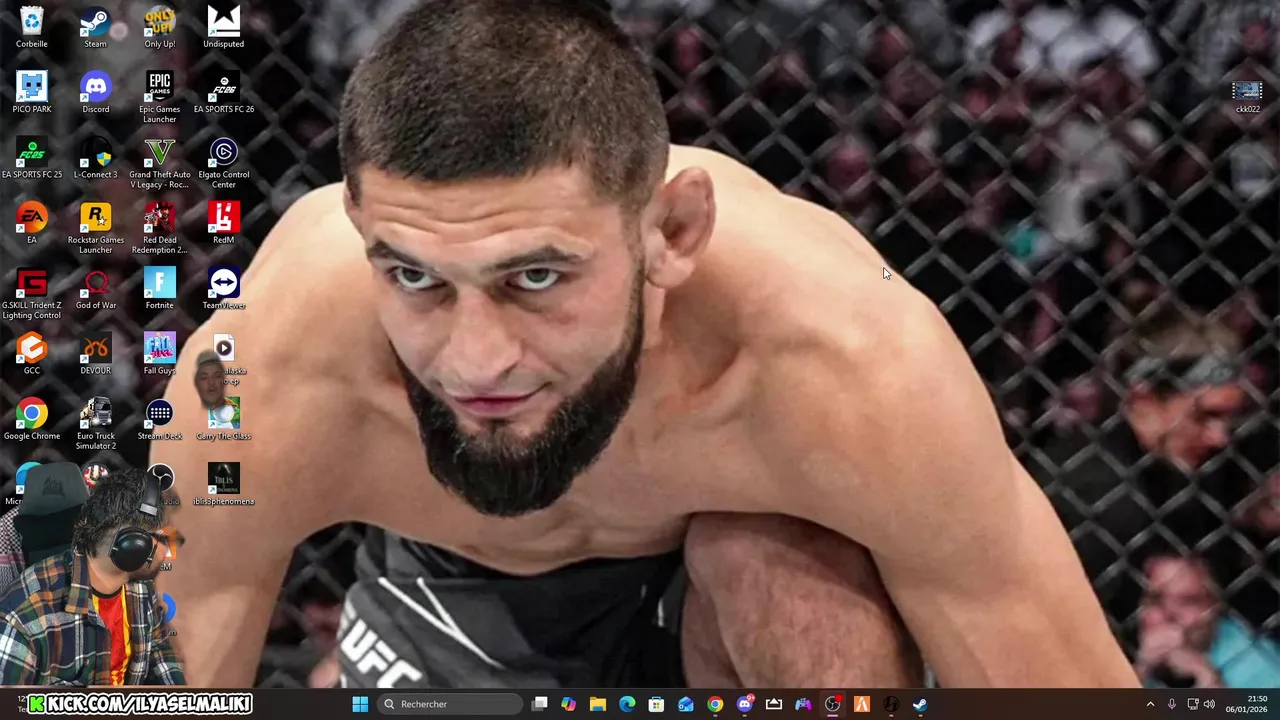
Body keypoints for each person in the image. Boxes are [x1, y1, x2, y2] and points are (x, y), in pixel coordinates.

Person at [154, 0, 1136, 689]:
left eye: (536, 277)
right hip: (449, 597)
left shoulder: (841, 359)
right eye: (414, 278)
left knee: (781, 572)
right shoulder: (269, 370)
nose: (474, 360)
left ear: (671, 234)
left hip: (729, 622)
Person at [1029, 306, 1251, 630]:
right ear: (1143, 399)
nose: (1220, 437)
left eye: (1228, 418)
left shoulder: (1165, 473)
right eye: (1204, 416)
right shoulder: (1099, 491)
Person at [0, 467, 185, 685]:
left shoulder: (142, 589)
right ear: (135, 545)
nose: (170, 549)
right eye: (165, 539)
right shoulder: (23, 617)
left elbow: (159, 652)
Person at [1136, 554, 1280, 688]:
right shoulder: (1132, 651)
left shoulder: (1256, 660)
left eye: (1187, 601)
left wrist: (1205, 676)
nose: (1167, 614)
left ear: (1216, 606)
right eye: (1155, 599)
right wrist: (1141, 671)